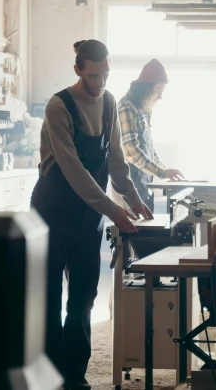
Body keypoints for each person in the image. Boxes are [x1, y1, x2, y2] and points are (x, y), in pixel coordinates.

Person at [31, 39, 154, 390]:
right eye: (94, 77)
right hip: (51, 214)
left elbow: (116, 159)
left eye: (106, 75)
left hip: (87, 218)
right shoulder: (59, 106)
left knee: (84, 298)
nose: (100, 84)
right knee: (50, 300)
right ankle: (51, 378)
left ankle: (75, 377)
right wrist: (113, 208)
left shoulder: (110, 102)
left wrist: (133, 198)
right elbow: (73, 170)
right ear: (77, 70)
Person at [118, 58, 184, 211]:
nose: (160, 97)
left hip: (144, 186)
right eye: (158, 90)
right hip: (131, 189)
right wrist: (161, 172)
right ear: (146, 88)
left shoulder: (144, 108)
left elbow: (149, 148)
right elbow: (131, 152)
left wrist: (166, 171)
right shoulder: (127, 107)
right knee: (133, 233)